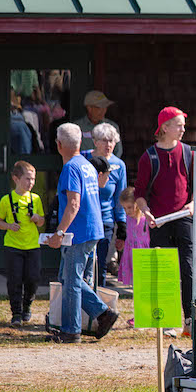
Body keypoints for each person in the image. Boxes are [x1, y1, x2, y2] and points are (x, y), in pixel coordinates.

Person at [46, 123, 120, 344]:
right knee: (69, 278)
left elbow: (74, 204)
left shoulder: (70, 167)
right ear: (80, 143)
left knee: (71, 280)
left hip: (79, 232)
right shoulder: (86, 165)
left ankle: (72, 330)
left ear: (59, 145)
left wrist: (59, 232)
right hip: (94, 228)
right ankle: (103, 314)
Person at [135, 106, 195, 335]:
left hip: (183, 218)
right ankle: (169, 321)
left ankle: (189, 319)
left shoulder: (189, 153)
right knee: (164, 271)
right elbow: (140, 193)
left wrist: (193, 205)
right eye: (179, 125)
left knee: (187, 268)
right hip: (159, 221)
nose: (183, 129)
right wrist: (146, 211)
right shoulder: (149, 157)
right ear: (165, 127)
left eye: (183, 124)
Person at [0, 161, 45, 327]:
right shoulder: (6, 200)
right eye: (27, 179)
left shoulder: (36, 199)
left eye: (33, 179)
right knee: (14, 279)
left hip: (32, 245)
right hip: (13, 246)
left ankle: (27, 306)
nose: (31, 182)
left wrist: (37, 218)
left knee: (33, 278)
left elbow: (41, 222)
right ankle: (16, 312)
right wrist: (9, 226)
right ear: (15, 179)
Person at [81, 123, 127, 288]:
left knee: (101, 265)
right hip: (84, 219)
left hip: (105, 221)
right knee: (83, 264)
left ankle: (100, 305)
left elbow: (120, 198)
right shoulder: (83, 158)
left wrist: (122, 228)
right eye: (104, 140)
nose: (108, 145)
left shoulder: (119, 165)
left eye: (112, 141)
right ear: (95, 141)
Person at [117, 187, 149, 290]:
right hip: (131, 252)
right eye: (124, 208)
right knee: (135, 280)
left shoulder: (145, 219)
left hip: (143, 252)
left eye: (129, 207)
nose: (127, 211)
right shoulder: (128, 219)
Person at [76, 90, 122, 158]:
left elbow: (118, 151)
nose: (103, 110)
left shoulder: (112, 126)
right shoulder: (78, 127)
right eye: (100, 107)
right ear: (89, 108)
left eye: (105, 107)